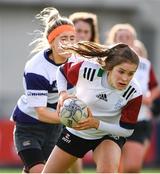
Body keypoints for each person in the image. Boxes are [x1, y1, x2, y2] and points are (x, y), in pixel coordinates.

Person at [42, 41, 143, 173]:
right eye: (121, 71)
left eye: (131, 74)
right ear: (109, 67)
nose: (125, 78)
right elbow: (61, 71)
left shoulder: (134, 92)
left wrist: (96, 124)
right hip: (76, 132)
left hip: (108, 135)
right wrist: (62, 94)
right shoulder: (88, 69)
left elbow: (127, 131)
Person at [10, 7, 77, 173]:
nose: (68, 43)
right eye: (63, 39)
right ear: (51, 41)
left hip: (56, 126)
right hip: (29, 125)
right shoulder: (36, 68)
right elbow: (40, 112)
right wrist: (74, 119)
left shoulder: (78, 60)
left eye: (72, 38)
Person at [106, 23, 160, 172]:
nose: (125, 40)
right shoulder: (105, 62)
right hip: (111, 120)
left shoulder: (144, 64)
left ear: (134, 40)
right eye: (121, 37)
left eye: (128, 37)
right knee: (112, 167)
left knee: (132, 167)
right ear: (113, 40)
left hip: (137, 120)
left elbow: (156, 87)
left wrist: (149, 99)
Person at [69, 11, 100, 172]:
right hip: (61, 111)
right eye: (78, 30)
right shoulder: (61, 56)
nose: (81, 35)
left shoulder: (99, 60)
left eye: (86, 31)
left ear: (92, 34)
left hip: (90, 114)